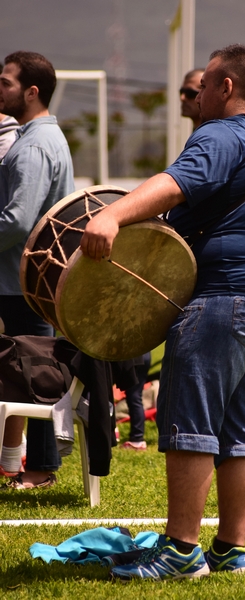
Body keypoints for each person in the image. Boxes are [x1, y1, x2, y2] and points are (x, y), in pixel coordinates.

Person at [81, 43, 245, 581]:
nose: (197, 96)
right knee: (243, 430)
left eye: (203, 86)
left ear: (225, 87)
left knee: (191, 424)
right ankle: (231, 550)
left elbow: (174, 184)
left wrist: (111, 216)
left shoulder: (220, 135)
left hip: (224, 300)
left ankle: (181, 551)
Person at [0, 51, 74, 488]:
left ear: (32, 91)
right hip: (23, 280)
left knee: (38, 374)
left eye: (6, 82)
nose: (0, 90)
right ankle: (34, 464)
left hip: (22, 282)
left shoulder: (34, 146)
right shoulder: (39, 137)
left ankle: (42, 468)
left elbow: (17, 221)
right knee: (32, 372)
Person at [121, 352, 151, 451]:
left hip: (135, 356)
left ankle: (137, 439)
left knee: (133, 396)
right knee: (135, 395)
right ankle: (137, 437)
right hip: (145, 355)